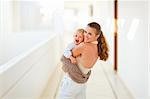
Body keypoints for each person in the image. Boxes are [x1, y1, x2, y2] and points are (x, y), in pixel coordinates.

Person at [59, 22, 109, 99]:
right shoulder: (98, 47)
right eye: (85, 32)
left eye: (90, 34)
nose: (85, 35)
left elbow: (64, 58)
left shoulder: (83, 46)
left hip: (71, 82)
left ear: (97, 36)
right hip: (82, 83)